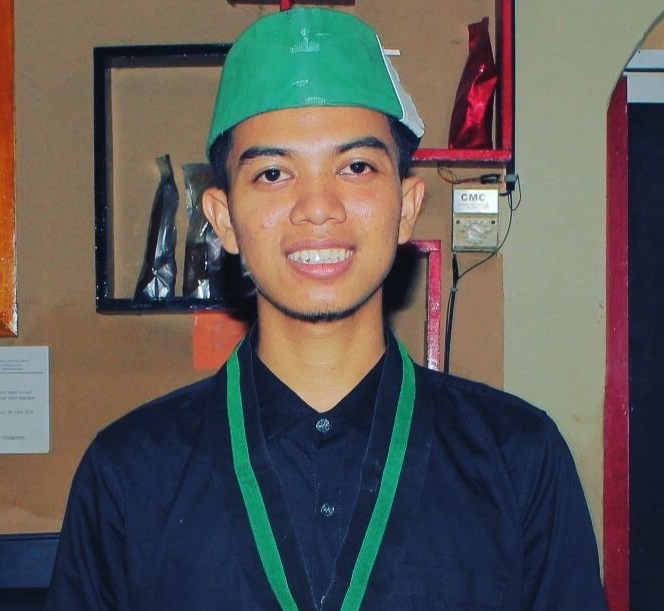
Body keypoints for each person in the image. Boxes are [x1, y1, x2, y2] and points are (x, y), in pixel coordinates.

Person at [45, 7, 609, 611]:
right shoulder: (129, 475)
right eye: (273, 173)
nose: (318, 207)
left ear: (406, 207)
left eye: (356, 167)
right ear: (223, 219)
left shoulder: (518, 460)